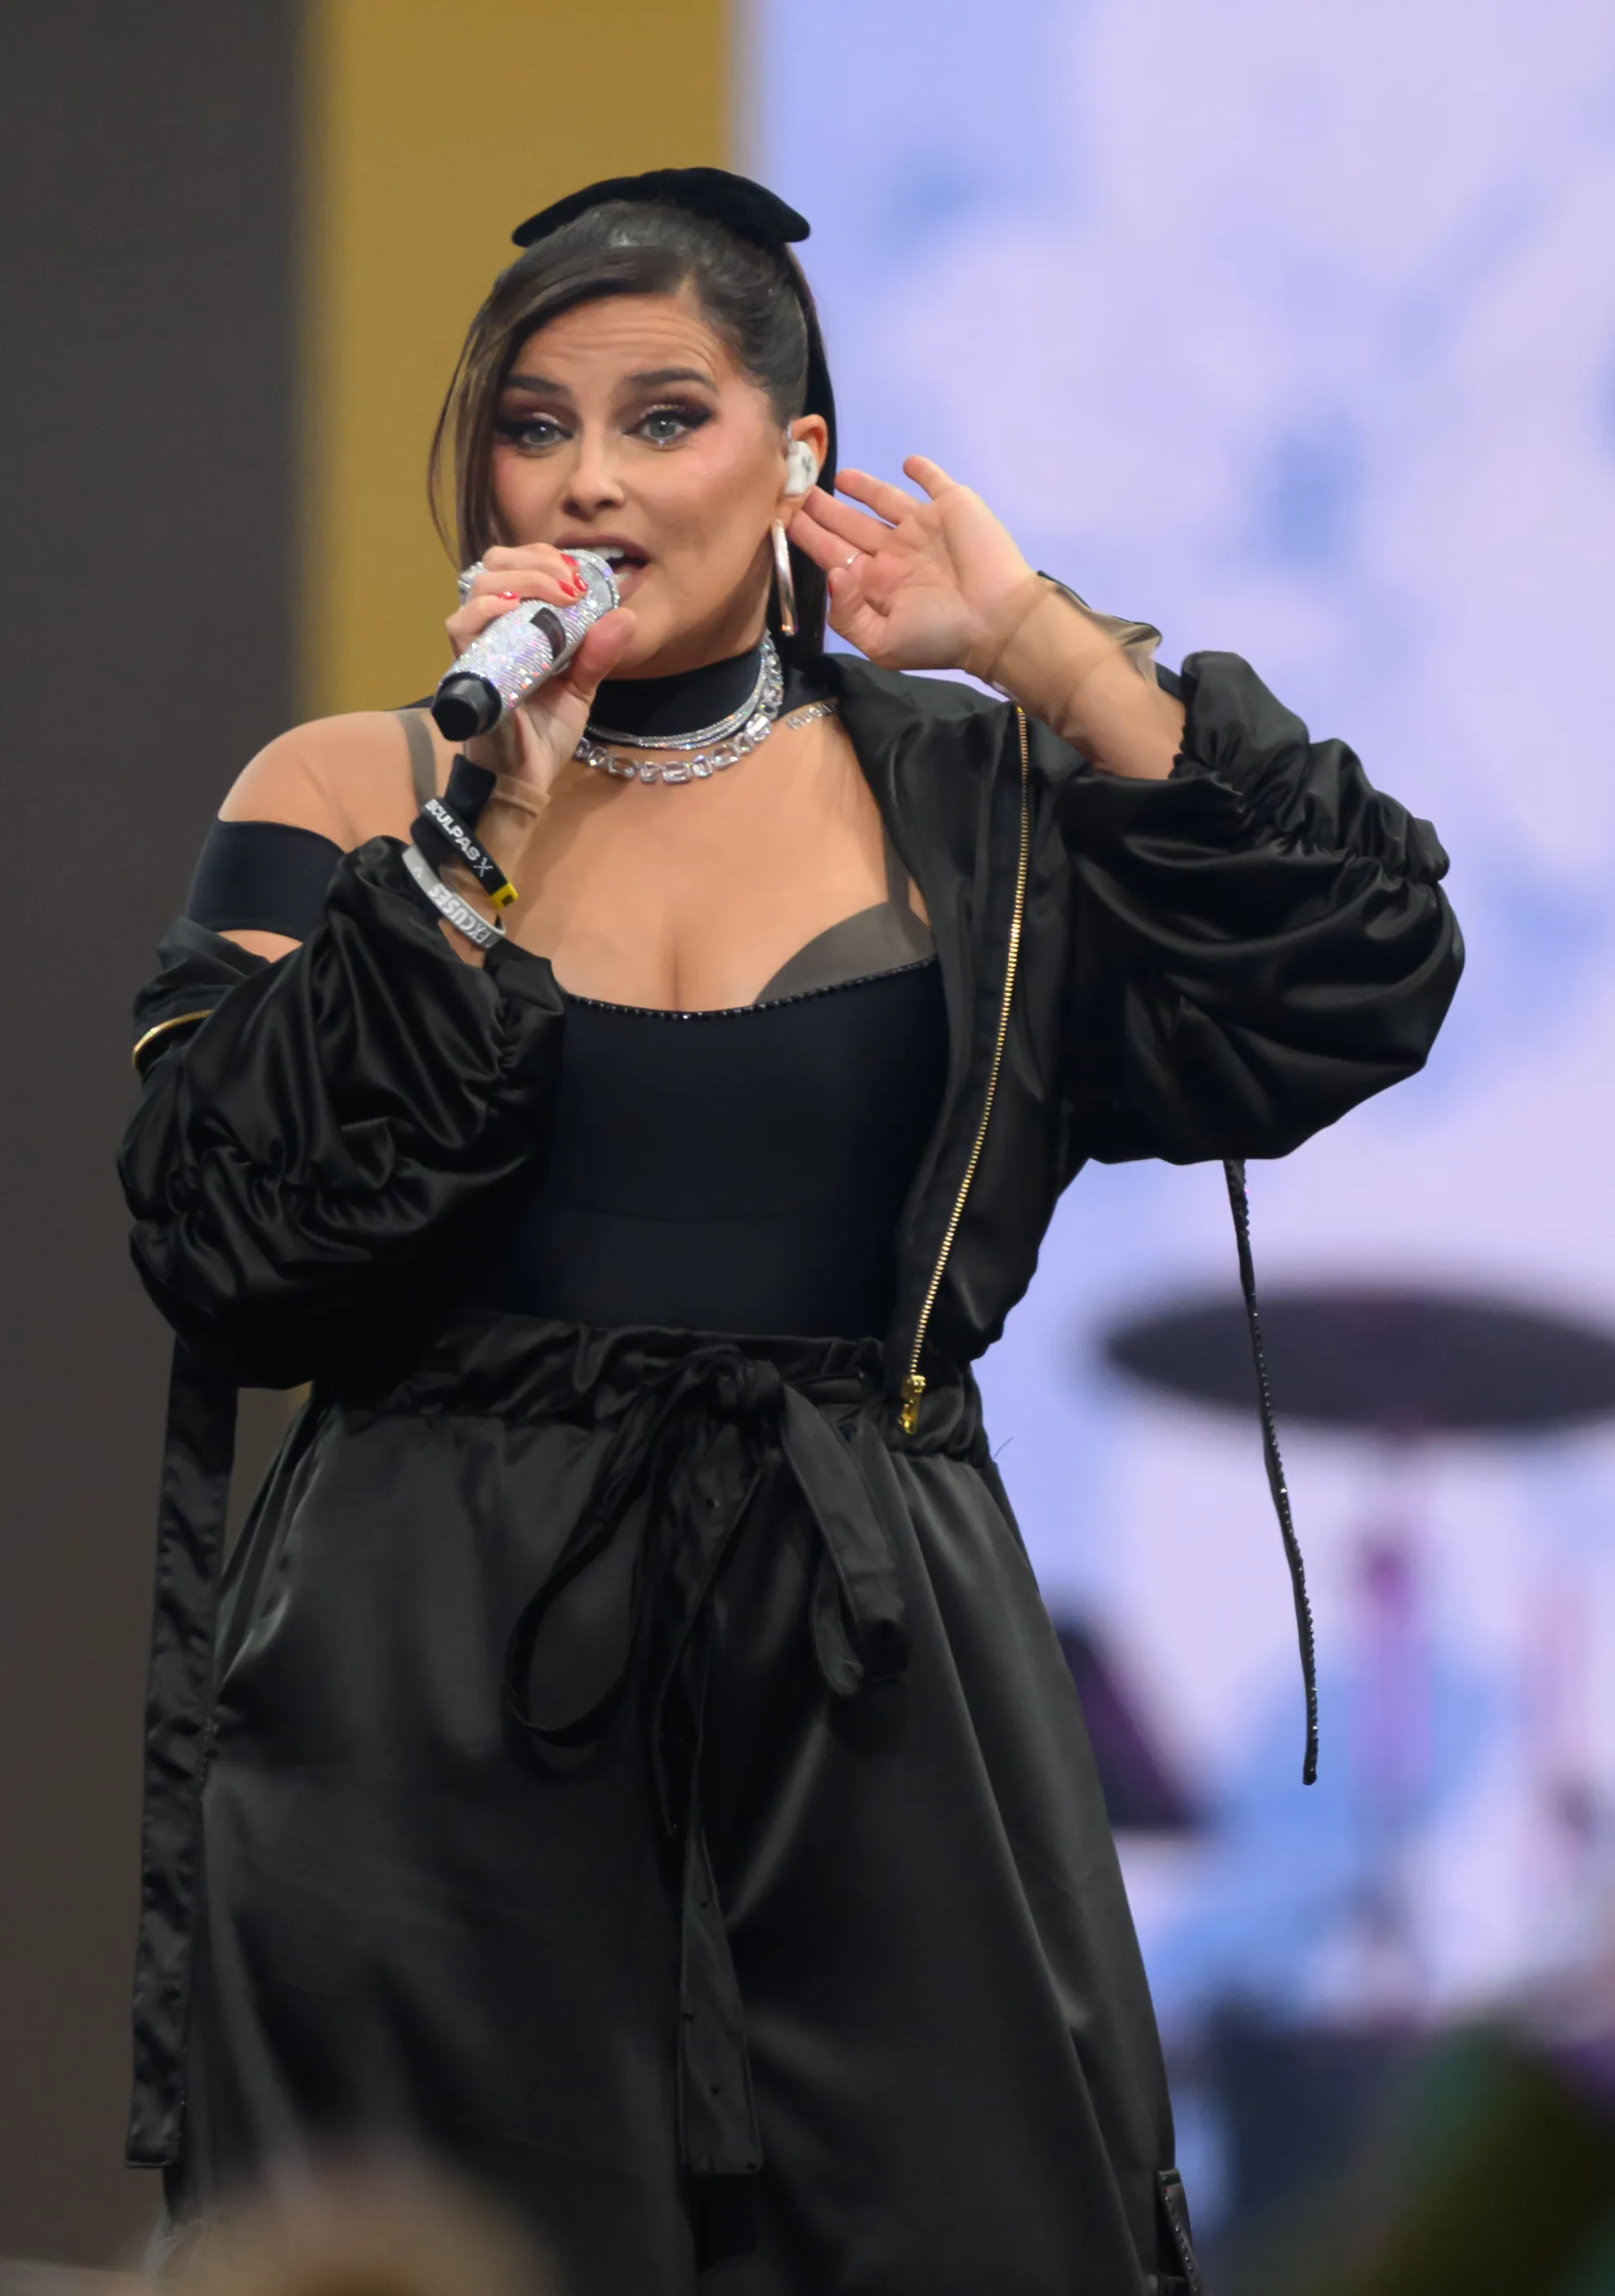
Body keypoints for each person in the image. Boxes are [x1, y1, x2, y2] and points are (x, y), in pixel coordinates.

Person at [120, 167, 1462, 2295]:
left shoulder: (970, 799)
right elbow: (231, 1233)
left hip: (875, 1689)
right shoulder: (360, 789)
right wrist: (478, 832)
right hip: (427, 1692)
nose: (589, 478)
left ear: (795, 458)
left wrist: (1041, 648)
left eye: (665, 417)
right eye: (535, 424)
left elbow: (1357, 969)